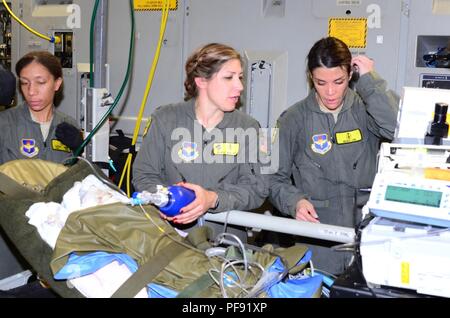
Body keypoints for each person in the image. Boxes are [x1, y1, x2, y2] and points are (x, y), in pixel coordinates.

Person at [269, 37, 399, 274]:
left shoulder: (366, 107)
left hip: (367, 235)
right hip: (318, 240)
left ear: (350, 74)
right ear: (311, 78)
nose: (330, 92)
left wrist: (370, 81)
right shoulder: (293, 119)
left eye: (338, 81)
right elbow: (274, 178)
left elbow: (396, 129)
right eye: (321, 82)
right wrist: (294, 201)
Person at [133, 43, 268, 227]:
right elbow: (143, 175)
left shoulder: (250, 127)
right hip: (169, 238)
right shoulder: (164, 119)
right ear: (201, 81)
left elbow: (258, 188)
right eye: (229, 77)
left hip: (225, 241)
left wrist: (213, 199)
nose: (239, 86)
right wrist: (169, 200)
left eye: (240, 77)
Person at [0, 51, 83, 165]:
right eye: (25, 83)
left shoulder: (69, 126)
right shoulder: (4, 124)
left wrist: (80, 151)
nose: (31, 91)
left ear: (57, 84)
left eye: (40, 82)